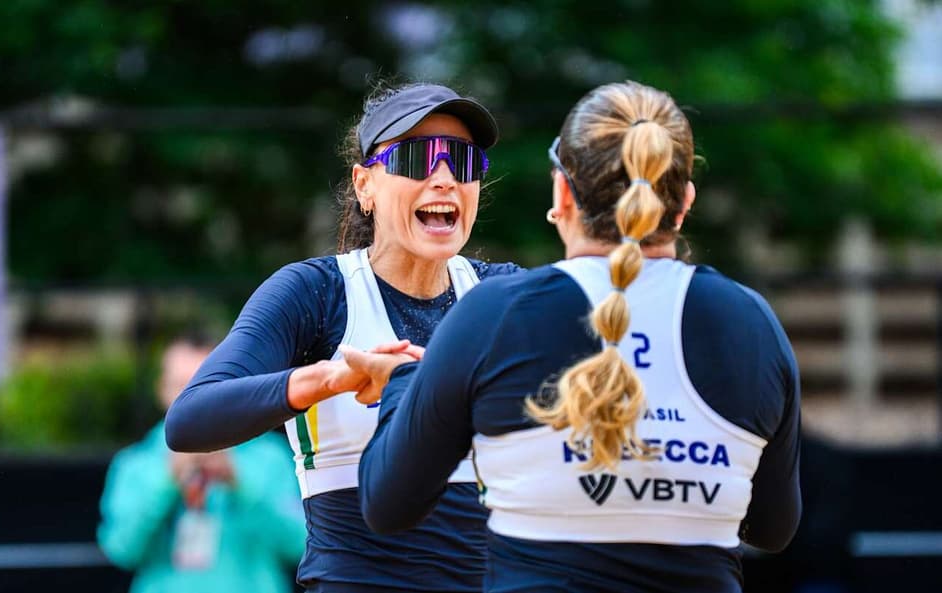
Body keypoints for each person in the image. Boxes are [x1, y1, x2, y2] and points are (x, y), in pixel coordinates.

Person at [344, 81, 802, 593]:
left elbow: (386, 506)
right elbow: (773, 529)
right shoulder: (751, 324)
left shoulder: (494, 317)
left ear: (562, 192)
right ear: (684, 202)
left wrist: (405, 383)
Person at [164, 81, 521, 593]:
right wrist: (329, 379)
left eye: (463, 162)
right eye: (418, 158)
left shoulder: (502, 293)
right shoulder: (316, 293)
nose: (443, 178)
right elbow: (191, 418)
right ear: (365, 185)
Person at [97, 334, 304, 593]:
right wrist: (167, 480)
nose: (193, 399)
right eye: (182, 386)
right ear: (162, 389)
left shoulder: (271, 456)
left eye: (206, 385)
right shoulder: (136, 462)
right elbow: (121, 549)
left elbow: (301, 544)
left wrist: (239, 481)